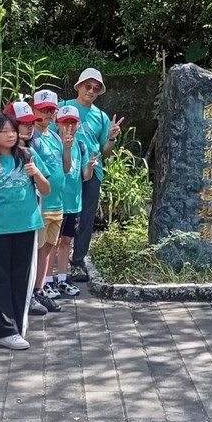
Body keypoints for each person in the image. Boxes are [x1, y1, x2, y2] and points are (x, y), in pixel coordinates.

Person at [0, 110, 50, 350]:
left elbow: (46, 189)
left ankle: (17, 326)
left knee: (21, 277)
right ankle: (3, 330)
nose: (10, 135)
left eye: (12, 130)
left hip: (27, 224)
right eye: (4, 131)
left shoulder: (28, 155)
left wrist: (36, 173)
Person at [63, 68, 122, 282]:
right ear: (79, 86)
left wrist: (112, 138)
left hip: (92, 170)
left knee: (86, 218)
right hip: (65, 168)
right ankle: (52, 264)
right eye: (88, 86)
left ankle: (78, 262)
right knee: (58, 214)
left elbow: (105, 151)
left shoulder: (101, 117)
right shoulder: (63, 107)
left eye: (96, 89)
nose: (91, 91)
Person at [31, 89, 74, 312]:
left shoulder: (56, 137)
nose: (48, 113)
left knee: (48, 248)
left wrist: (67, 148)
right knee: (37, 249)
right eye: (44, 109)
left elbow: (66, 168)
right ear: (34, 109)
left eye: (52, 110)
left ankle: (40, 289)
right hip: (41, 205)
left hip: (58, 204)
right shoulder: (32, 137)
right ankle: (31, 291)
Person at [51, 105, 94, 297]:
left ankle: (62, 278)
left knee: (66, 241)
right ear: (57, 123)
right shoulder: (52, 144)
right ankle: (47, 280)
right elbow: (65, 169)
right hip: (55, 202)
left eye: (73, 122)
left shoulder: (81, 146)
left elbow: (85, 176)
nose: (69, 126)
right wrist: (66, 148)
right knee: (51, 243)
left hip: (74, 203)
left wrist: (90, 167)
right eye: (65, 122)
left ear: (78, 124)